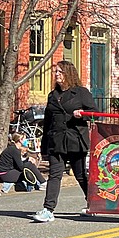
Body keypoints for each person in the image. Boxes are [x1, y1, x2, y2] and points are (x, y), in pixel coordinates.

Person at [32, 60, 98, 223]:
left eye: (59, 72)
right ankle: (48, 209)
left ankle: (93, 204)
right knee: (54, 175)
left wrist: (82, 113)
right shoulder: (53, 95)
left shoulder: (81, 92)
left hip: (75, 139)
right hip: (56, 140)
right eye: (55, 72)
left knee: (81, 175)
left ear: (68, 73)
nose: (56, 75)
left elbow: (95, 113)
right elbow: (48, 122)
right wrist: (45, 145)